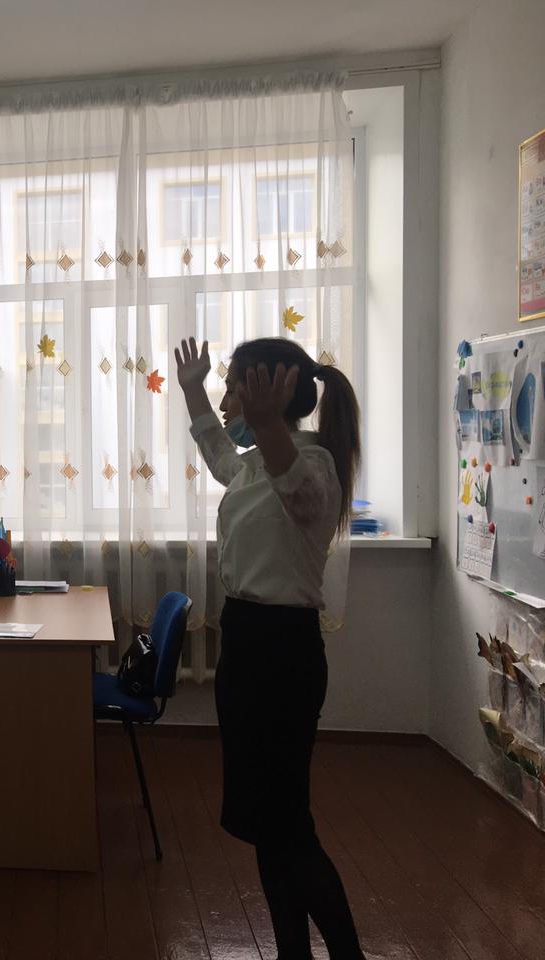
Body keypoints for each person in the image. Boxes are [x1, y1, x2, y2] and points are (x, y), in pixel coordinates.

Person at [174, 336, 364, 960]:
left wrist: (266, 425)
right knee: (266, 825)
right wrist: (193, 391)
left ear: (268, 393)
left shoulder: (314, 466)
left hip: (282, 657)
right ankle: (292, 953)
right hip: (246, 647)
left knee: (289, 828)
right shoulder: (254, 464)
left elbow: (299, 494)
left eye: (233, 386)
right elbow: (219, 454)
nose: (226, 398)